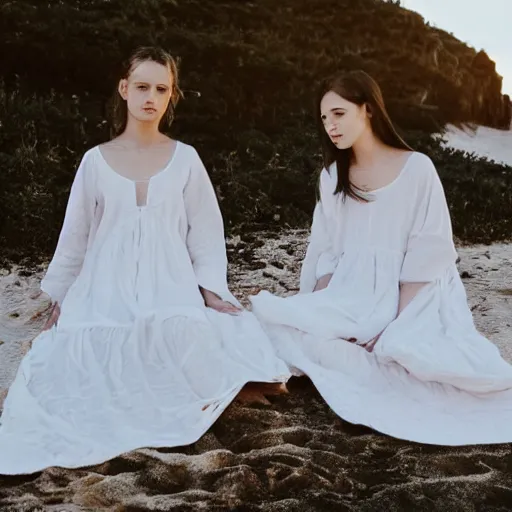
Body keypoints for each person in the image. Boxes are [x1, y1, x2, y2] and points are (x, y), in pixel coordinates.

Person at [0, 46, 289, 475]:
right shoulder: (94, 161)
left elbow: (205, 232)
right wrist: (60, 295)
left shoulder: (186, 158)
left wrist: (210, 290)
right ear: (123, 89)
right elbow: (75, 236)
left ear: (172, 96)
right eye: (141, 86)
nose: (150, 97)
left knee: (191, 339)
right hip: (104, 288)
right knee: (75, 355)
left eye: (161, 88)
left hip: (168, 284)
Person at [251, 70, 512, 446]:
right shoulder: (332, 176)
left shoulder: (417, 168)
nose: (330, 126)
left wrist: (392, 321)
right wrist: (322, 307)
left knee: (409, 353)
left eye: (339, 114)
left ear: (368, 110)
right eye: (324, 118)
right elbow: (326, 251)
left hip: (415, 292)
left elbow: (428, 252)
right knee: (281, 324)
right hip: (352, 288)